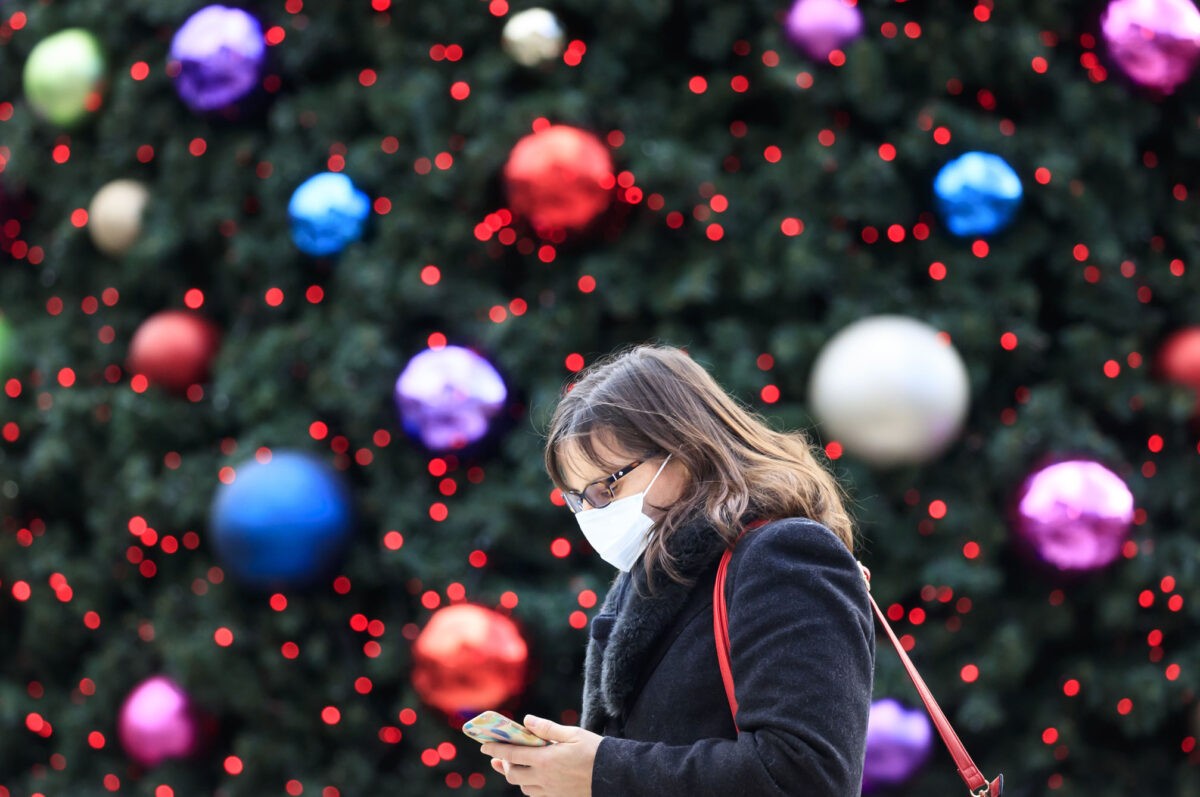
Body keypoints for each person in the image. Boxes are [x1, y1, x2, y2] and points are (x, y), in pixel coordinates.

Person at [479, 344, 875, 796]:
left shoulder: (784, 553)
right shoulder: (645, 577)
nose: (593, 513)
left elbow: (807, 776)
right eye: (579, 499)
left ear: (682, 449)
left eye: (607, 487)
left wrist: (603, 770)